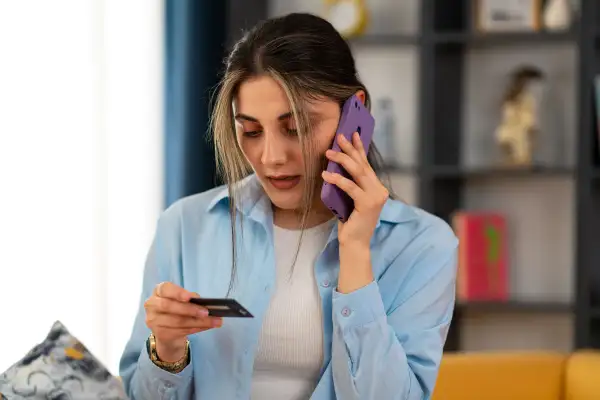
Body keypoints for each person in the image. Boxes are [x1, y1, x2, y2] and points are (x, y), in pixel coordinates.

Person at [119, 12, 458, 400]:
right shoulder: (185, 226)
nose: (271, 157)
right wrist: (167, 350)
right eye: (251, 131)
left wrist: (356, 252)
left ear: (355, 112)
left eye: (296, 127)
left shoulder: (423, 245)